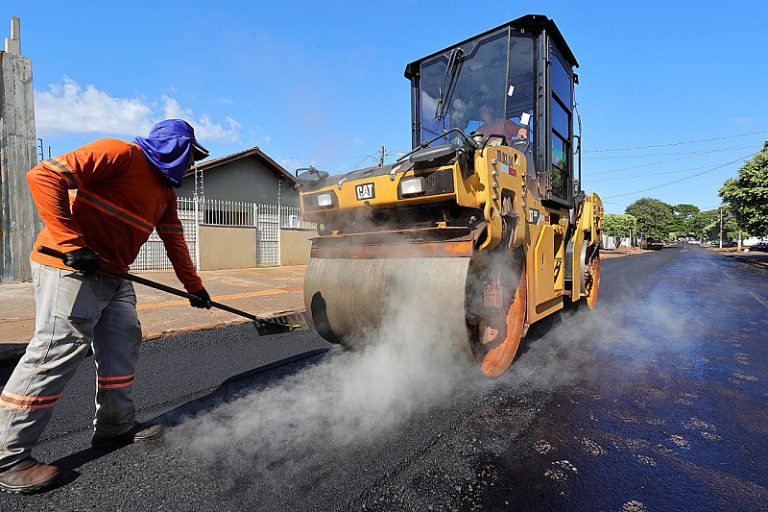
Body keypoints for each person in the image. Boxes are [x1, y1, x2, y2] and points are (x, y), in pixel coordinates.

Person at [0, 119, 213, 494]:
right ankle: (9, 454)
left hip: (114, 274)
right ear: (176, 147)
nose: (192, 166)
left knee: (122, 343)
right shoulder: (119, 153)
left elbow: (175, 242)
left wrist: (195, 288)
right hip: (69, 267)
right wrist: (70, 242)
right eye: (191, 157)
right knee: (55, 350)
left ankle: (115, 424)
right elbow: (43, 175)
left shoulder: (165, 193)